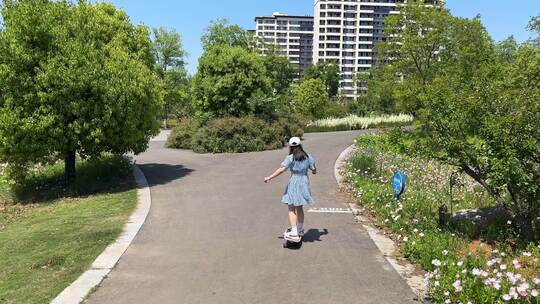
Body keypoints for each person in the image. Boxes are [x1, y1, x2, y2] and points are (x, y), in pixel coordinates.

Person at [264, 137, 316, 242]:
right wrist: (313, 170)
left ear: (290, 147)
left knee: (291, 207)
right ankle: (300, 229)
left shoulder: (290, 157)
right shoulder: (308, 156)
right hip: (304, 182)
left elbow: (282, 169)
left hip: (294, 182)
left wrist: (269, 177)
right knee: (299, 207)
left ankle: (294, 231)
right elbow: (314, 169)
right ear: (300, 145)